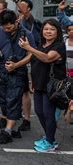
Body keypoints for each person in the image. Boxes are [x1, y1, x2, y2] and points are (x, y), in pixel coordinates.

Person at [0, 10, 35, 144]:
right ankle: (10, 121)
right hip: (1, 69)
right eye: (4, 27)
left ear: (16, 21)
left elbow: (31, 54)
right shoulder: (0, 30)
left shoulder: (27, 34)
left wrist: (17, 65)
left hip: (17, 71)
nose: (6, 30)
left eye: (9, 27)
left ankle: (8, 131)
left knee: (13, 100)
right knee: (1, 98)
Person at [19, 19, 66, 152]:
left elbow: (47, 58)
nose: (48, 32)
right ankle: (49, 137)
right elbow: (36, 64)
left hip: (51, 86)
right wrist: (32, 81)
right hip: (39, 83)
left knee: (48, 113)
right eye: (46, 29)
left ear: (57, 32)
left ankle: (50, 142)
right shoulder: (41, 45)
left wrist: (29, 48)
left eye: (52, 29)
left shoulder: (59, 46)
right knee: (39, 112)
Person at [9, 0, 42, 131]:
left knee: (25, 91)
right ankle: (13, 116)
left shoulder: (31, 21)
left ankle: (27, 119)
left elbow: (23, 12)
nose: (20, 9)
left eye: (23, 6)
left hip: (31, 59)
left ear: (28, 9)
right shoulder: (18, 21)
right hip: (19, 58)